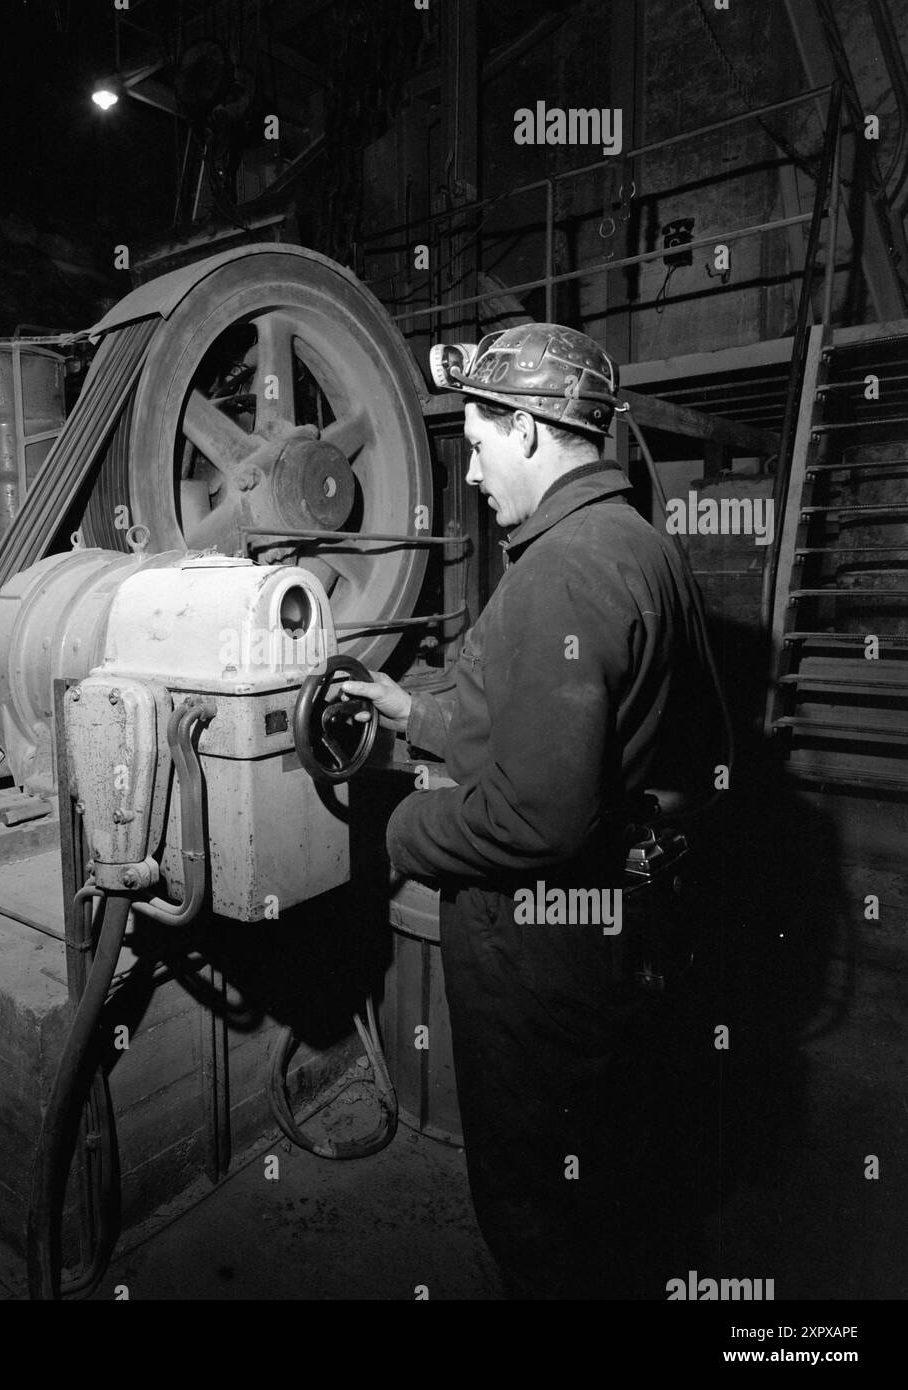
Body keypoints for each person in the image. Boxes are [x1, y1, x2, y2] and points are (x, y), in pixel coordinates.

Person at [342, 323, 720, 1299]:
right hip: (619, 932)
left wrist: (400, 832)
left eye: (476, 442)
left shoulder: (560, 573)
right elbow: (666, 738)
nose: (467, 472)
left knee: (536, 1204)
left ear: (533, 431)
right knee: (607, 1171)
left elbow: (539, 818)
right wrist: (416, 715)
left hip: (539, 953)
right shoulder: (636, 544)